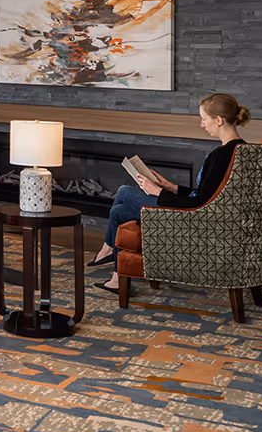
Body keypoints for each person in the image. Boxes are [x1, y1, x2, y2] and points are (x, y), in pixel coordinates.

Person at [91, 92, 251, 290]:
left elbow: (200, 203)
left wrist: (158, 192)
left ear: (218, 120)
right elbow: (210, 196)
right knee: (118, 212)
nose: (202, 124)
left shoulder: (220, 156)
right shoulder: (243, 150)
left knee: (124, 191)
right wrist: (170, 186)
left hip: (195, 220)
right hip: (211, 216)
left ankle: (107, 252)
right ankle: (115, 277)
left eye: (203, 119)